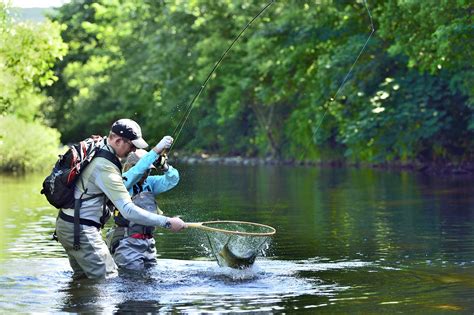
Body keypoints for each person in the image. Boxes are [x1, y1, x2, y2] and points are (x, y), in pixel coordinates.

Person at [55, 118, 186, 279]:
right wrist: (166, 222)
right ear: (117, 140)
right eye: (131, 146)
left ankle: (78, 304)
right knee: (109, 279)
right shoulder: (108, 169)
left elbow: (171, 178)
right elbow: (129, 209)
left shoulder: (100, 151)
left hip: (71, 225)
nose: (132, 151)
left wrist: (163, 164)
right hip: (81, 229)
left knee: (84, 281)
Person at [106, 145, 180, 270]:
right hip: (127, 243)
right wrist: (156, 151)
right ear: (132, 167)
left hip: (148, 244)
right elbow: (137, 172)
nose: (147, 174)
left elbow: (173, 180)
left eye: (149, 170)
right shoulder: (122, 183)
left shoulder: (149, 183)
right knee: (132, 280)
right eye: (146, 170)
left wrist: (165, 167)